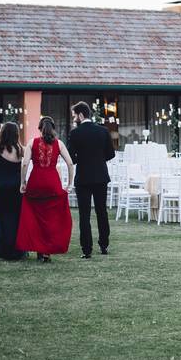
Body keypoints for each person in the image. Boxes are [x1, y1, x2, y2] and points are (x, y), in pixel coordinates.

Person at [16, 117, 74, 263]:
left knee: (35, 217)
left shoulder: (32, 143)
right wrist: (70, 183)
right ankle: (47, 252)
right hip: (52, 183)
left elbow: (24, 164)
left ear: (40, 128)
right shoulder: (59, 144)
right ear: (53, 128)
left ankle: (40, 251)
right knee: (51, 218)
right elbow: (70, 163)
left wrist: (23, 182)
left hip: (36, 182)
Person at [68, 101, 115, 259]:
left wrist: (82, 158)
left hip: (83, 178)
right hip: (101, 176)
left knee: (84, 214)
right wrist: (98, 159)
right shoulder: (103, 131)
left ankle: (86, 249)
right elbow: (111, 154)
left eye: (75, 115)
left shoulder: (75, 133)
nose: (74, 118)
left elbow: (71, 158)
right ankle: (104, 245)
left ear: (81, 115)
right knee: (102, 211)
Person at [0, 122, 26, 260]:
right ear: (16, 134)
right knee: (16, 218)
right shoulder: (21, 150)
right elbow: (27, 166)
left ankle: (2, 249)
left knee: (0, 216)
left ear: (1, 132)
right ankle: (17, 250)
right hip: (15, 188)